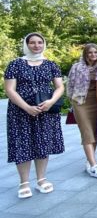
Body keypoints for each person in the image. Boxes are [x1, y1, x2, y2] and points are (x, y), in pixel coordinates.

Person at [5, 33, 65, 198]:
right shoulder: (15, 64)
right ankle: (24, 182)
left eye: (40, 42)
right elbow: (9, 89)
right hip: (20, 111)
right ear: (26, 44)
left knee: (42, 142)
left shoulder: (51, 64)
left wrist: (51, 102)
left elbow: (60, 86)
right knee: (22, 144)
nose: (36, 45)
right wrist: (26, 107)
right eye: (32, 42)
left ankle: (41, 179)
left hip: (44, 110)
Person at [67, 43, 97, 178]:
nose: (93, 55)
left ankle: (89, 162)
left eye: (96, 53)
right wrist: (72, 102)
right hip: (81, 102)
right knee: (86, 132)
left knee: (95, 131)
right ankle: (94, 165)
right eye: (90, 53)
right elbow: (70, 85)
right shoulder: (77, 67)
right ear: (85, 54)